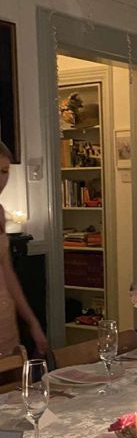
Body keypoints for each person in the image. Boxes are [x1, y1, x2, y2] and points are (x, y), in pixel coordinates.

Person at [0, 141, 48, 356]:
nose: (1, 179)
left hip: (4, 317)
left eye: (4, 171)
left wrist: (31, 322)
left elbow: (8, 274)